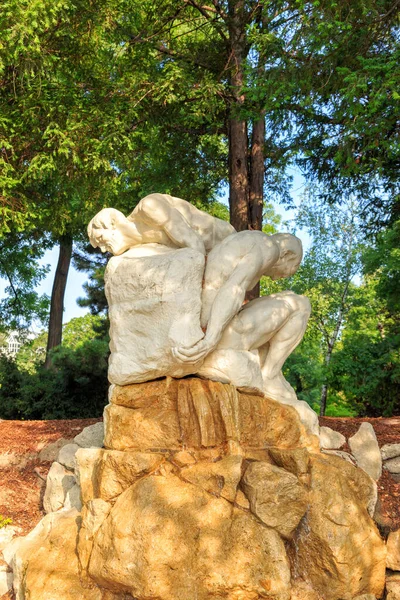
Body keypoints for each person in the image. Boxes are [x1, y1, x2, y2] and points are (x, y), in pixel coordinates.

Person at [173, 230, 312, 407]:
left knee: (285, 296)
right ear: (286, 254)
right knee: (301, 304)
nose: (280, 277)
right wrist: (210, 339)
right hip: (218, 333)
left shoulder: (246, 238)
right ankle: (269, 376)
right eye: (291, 268)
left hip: (206, 321)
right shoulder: (270, 248)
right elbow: (234, 288)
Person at [87, 193, 235, 256]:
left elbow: (194, 244)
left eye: (100, 239)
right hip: (215, 256)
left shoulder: (148, 207)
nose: (102, 249)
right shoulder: (141, 246)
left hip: (225, 240)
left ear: (111, 224)